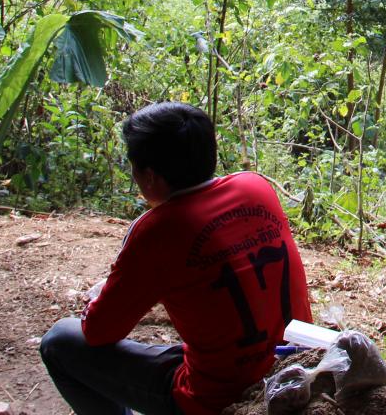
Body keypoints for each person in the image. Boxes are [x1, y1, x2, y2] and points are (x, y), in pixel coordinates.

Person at [40, 101, 312, 415]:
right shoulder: (256, 187)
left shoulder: (158, 229)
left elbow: (98, 331)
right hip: (292, 366)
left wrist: (103, 294)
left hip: (215, 398)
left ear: (150, 176)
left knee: (59, 341)